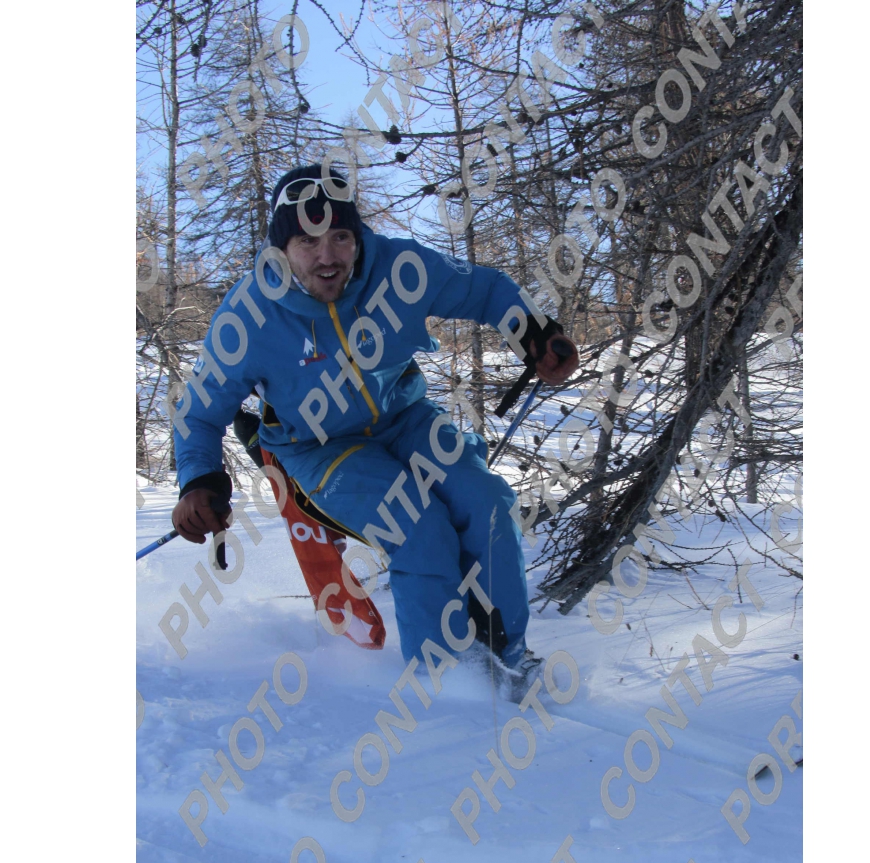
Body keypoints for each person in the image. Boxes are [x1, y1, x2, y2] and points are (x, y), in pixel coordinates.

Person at [170, 163, 578, 697]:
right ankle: (449, 681)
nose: (328, 256)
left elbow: (483, 289)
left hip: (404, 419)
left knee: (489, 502)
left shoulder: (397, 268)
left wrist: (533, 332)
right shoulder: (249, 314)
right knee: (416, 522)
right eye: (307, 241)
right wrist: (198, 480)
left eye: (340, 236)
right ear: (281, 249)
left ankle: (509, 659)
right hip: (320, 447)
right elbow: (199, 410)